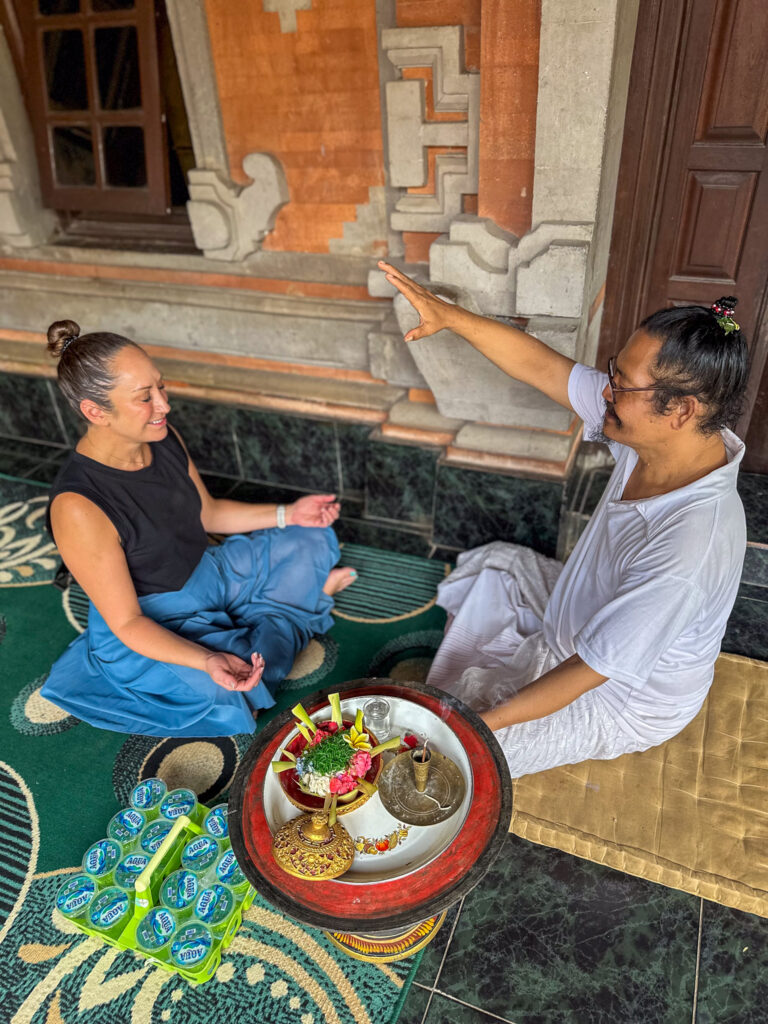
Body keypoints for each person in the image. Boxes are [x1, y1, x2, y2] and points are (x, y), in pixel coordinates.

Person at [380, 260, 750, 778]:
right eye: (613, 373)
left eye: (621, 384)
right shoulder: (655, 436)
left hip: (619, 697)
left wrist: (484, 725)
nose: (606, 391)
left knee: (445, 757)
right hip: (581, 621)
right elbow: (545, 369)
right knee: (496, 565)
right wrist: (453, 318)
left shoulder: (690, 547)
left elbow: (590, 669)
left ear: (680, 410)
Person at [41, 320, 356, 738]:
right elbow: (129, 622)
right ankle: (297, 608)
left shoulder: (162, 435)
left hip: (212, 572)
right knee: (235, 688)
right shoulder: (78, 506)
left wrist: (289, 514)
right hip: (155, 620)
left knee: (313, 536)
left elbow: (209, 515)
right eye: (144, 398)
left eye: (161, 387)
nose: (163, 405)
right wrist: (205, 659)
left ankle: (288, 610)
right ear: (95, 412)